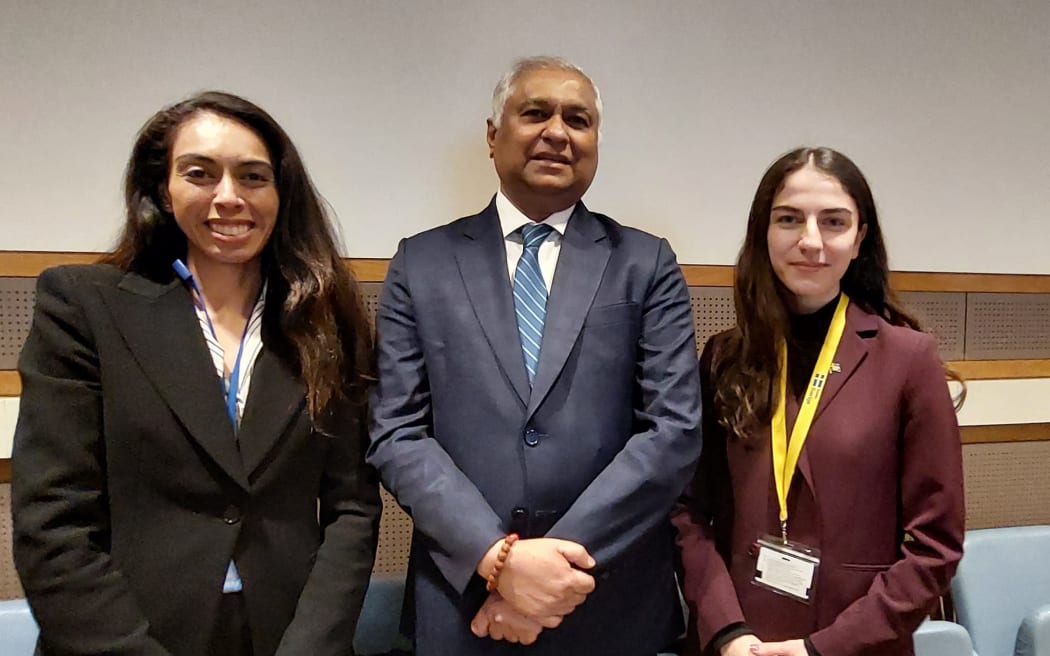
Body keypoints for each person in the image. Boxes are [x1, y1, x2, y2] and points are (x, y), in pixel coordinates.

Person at [11, 91, 381, 656]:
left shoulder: (326, 321)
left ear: (281, 194)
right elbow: (54, 523)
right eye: (200, 174)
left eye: (253, 177)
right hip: (128, 637)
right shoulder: (84, 308)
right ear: (164, 187)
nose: (228, 197)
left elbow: (352, 508)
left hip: (286, 635)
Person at [367, 56, 702, 655]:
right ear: (493, 137)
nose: (557, 131)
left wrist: (547, 574)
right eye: (535, 113)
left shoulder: (646, 264)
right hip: (464, 607)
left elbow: (672, 432)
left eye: (579, 119)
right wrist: (500, 563)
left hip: (610, 606)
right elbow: (397, 434)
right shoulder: (421, 264)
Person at [672, 147, 965, 656]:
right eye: (789, 219)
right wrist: (725, 631)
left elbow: (935, 546)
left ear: (859, 239)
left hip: (856, 643)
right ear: (764, 232)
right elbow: (687, 513)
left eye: (833, 222)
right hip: (740, 644)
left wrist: (823, 648)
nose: (811, 241)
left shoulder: (908, 359)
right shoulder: (724, 357)